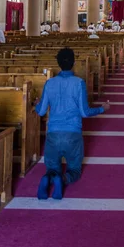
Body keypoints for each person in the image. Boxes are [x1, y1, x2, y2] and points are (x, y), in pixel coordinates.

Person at [35, 48, 110, 200]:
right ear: (74, 63)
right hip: (73, 133)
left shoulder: (50, 83)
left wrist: (36, 104)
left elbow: (41, 112)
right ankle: (62, 180)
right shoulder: (79, 83)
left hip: (53, 133)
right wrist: (103, 108)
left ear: (58, 63)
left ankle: (49, 177)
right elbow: (84, 112)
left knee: (52, 166)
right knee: (74, 170)